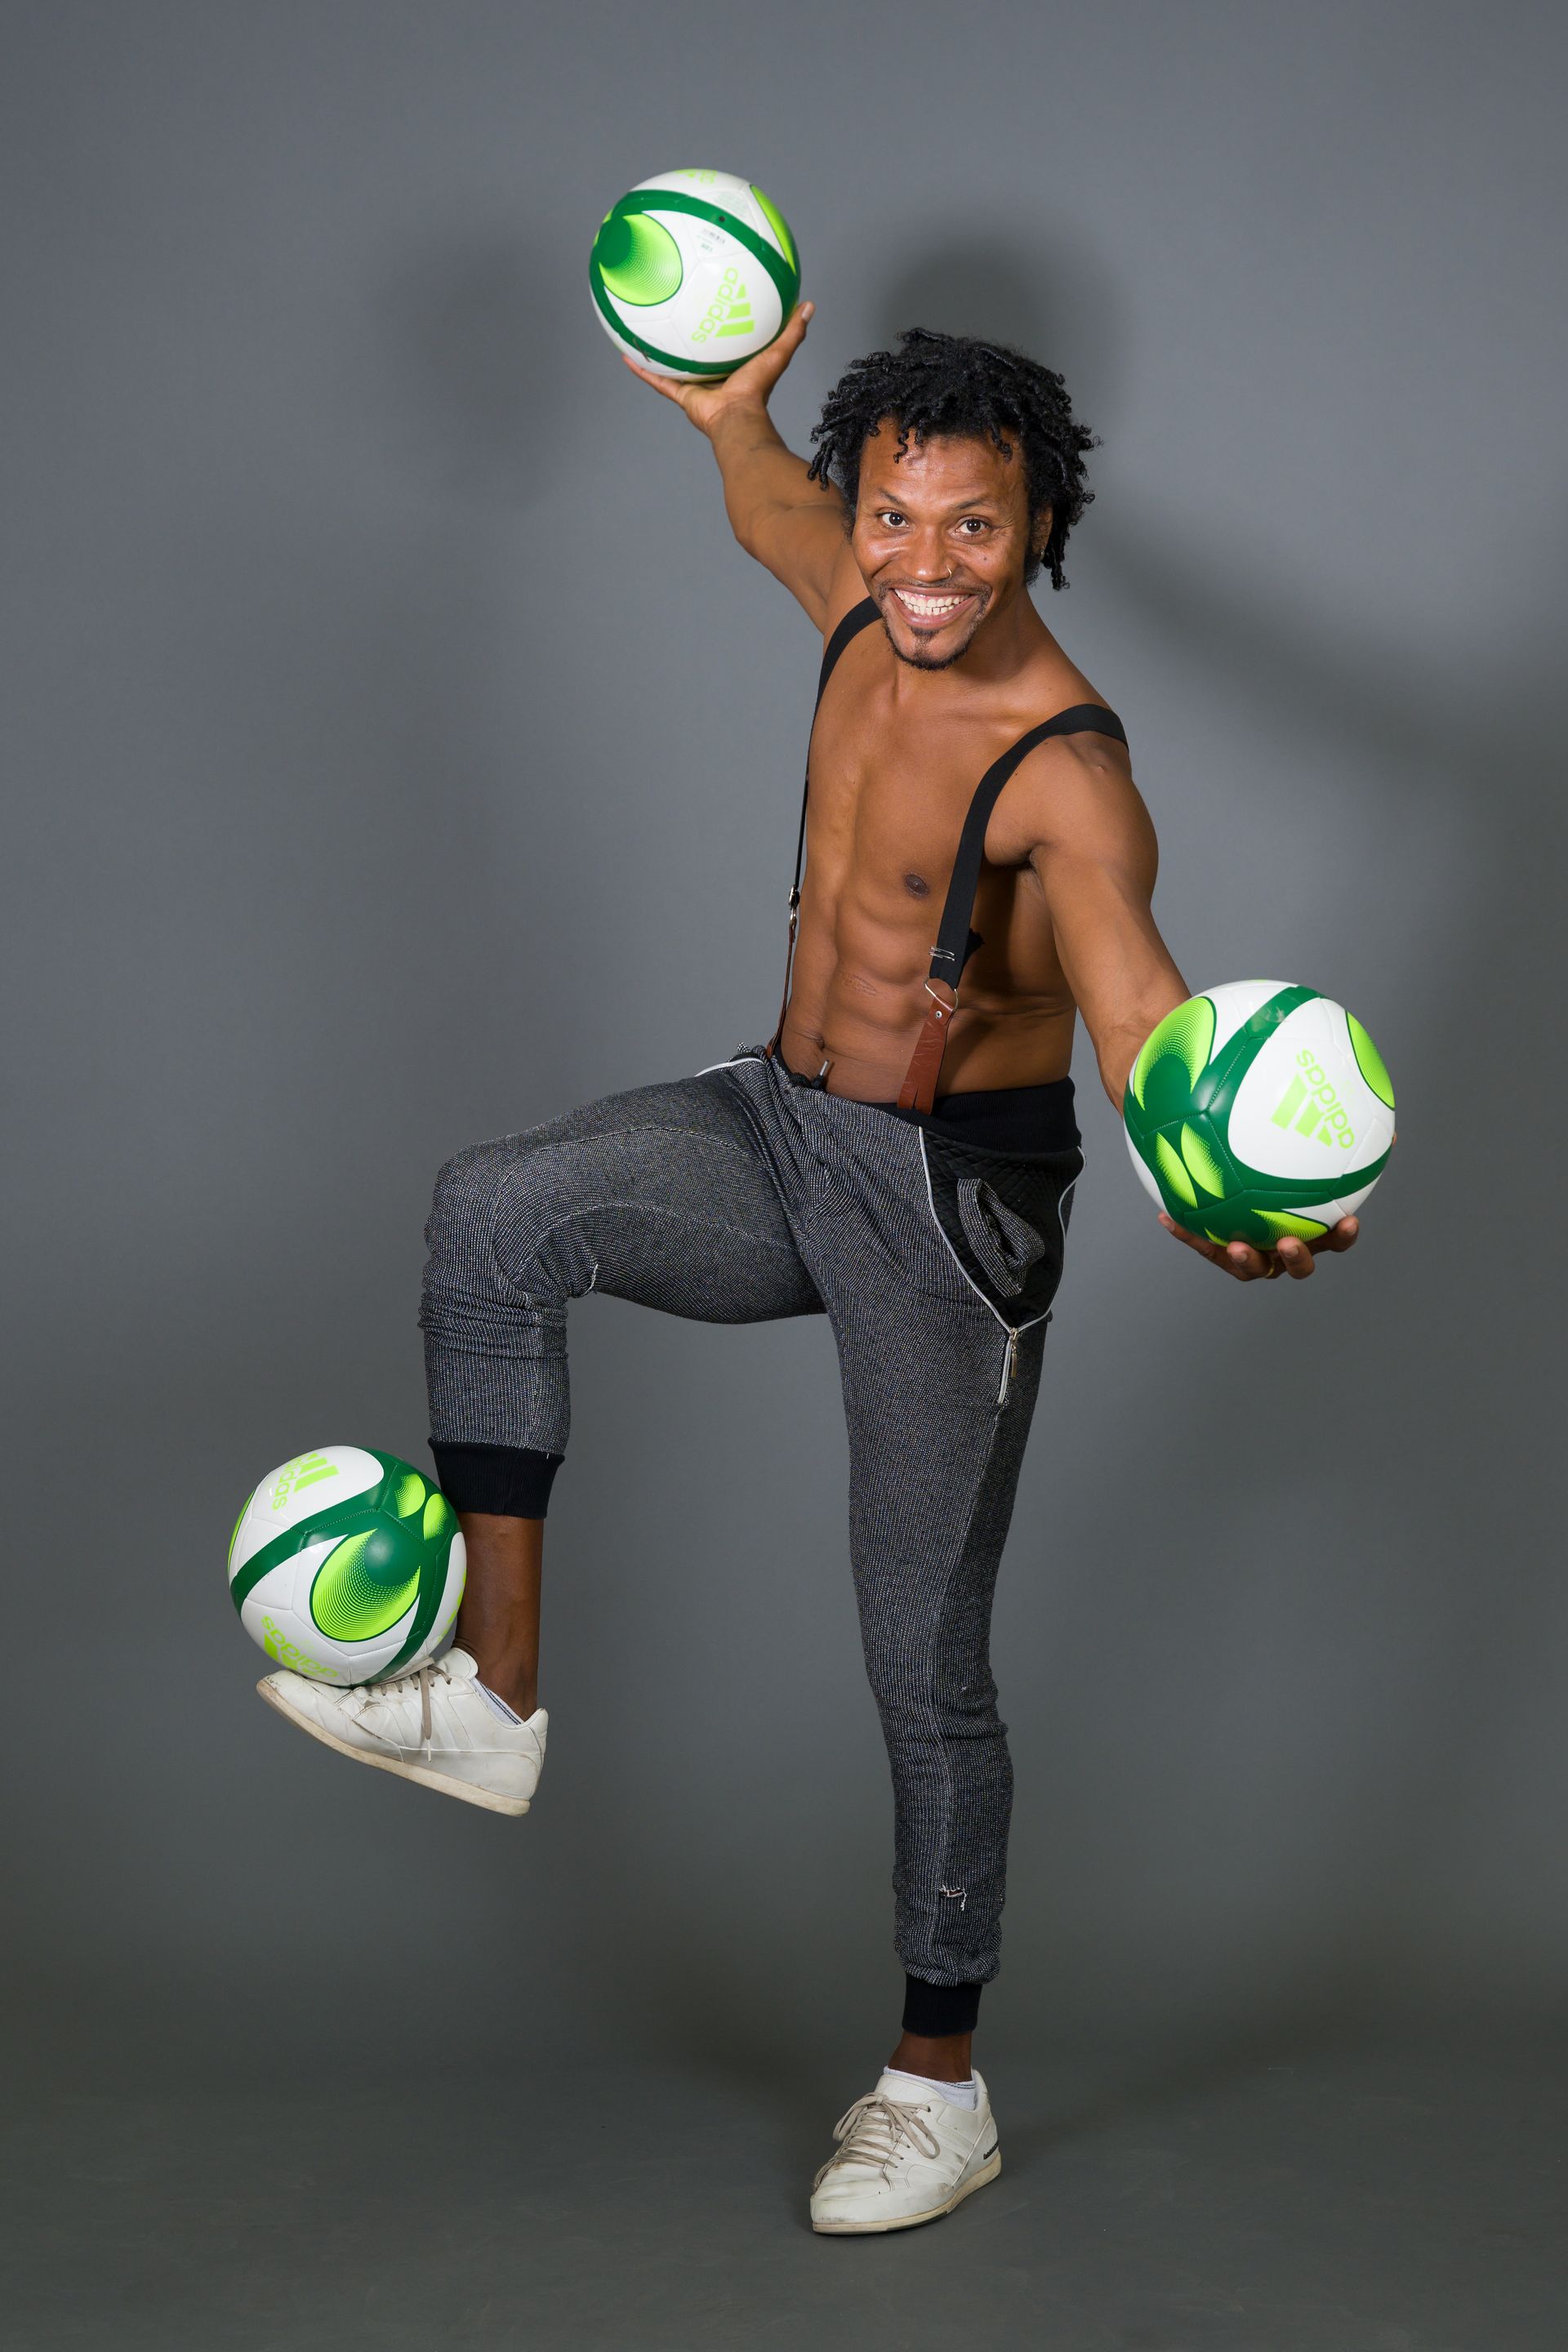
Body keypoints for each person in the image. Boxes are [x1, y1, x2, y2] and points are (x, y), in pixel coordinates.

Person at [258, 309, 1362, 2234]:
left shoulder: (1066, 774)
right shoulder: (852, 595)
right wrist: (736, 413)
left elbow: (1136, 1001)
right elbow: (768, 499)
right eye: (898, 522)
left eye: (974, 532)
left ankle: (939, 2087)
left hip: (946, 1216)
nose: (925, 570)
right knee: (493, 1211)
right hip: (785, 1127)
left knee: (919, 1662)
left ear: (1041, 529)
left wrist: (1214, 1170)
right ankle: (499, 1701)